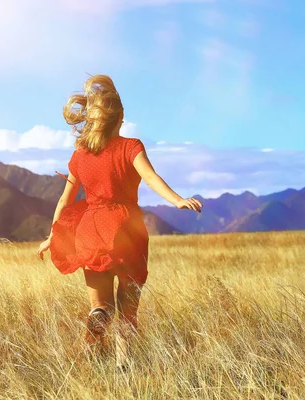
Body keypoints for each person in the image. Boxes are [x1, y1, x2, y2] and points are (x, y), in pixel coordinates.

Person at [36, 74, 202, 369]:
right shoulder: (130, 147)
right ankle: (123, 365)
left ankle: (96, 342)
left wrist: (53, 236)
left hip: (90, 232)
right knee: (127, 309)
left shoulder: (80, 154)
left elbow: (65, 200)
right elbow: (151, 178)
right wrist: (177, 200)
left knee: (99, 307)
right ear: (120, 117)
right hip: (126, 231)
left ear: (91, 118)